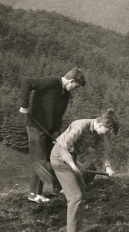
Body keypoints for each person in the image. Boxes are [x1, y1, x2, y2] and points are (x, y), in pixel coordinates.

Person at [19, 67, 86, 203]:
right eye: (76, 86)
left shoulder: (65, 94)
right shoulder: (50, 83)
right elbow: (27, 83)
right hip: (35, 126)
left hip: (49, 130)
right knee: (40, 160)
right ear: (71, 81)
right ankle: (33, 193)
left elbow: (58, 116)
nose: (75, 89)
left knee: (55, 157)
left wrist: (56, 133)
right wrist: (24, 105)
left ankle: (57, 187)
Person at [50, 109, 119, 232]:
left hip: (71, 157)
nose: (105, 134)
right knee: (75, 197)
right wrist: (73, 166)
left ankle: (76, 228)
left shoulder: (98, 134)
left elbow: (102, 152)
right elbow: (63, 148)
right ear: (100, 124)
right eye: (106, 131)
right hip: (60, 158)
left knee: (81, 192)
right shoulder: (80, 126)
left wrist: (108, 167)